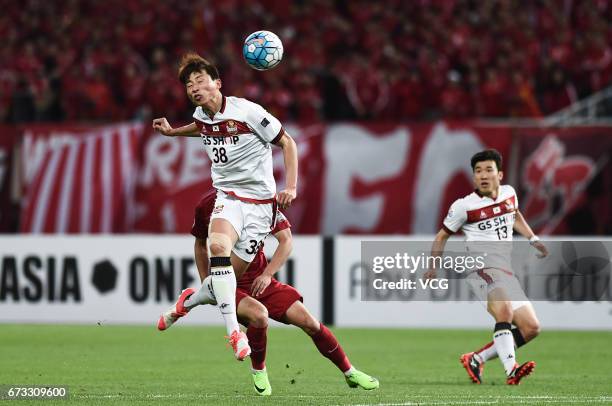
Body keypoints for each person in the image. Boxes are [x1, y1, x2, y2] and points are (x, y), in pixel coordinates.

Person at [158, 190, 380, 396]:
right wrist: (208, 282)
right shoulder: (208, 204)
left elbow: (286, 240)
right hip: (230, 284)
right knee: (260, 315)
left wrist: (267, 274)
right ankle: (259, 371)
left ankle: (350, 372)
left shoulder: (262, 198)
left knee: (310, 322)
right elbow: (200, 244)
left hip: (260, 282)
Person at [152, 53, 298, 361]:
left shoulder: (248, 111)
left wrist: (291, 187)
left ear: (218, 83)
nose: (194, 87)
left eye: (201, 80)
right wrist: (173, 132)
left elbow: (288, 143)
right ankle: (234, 332)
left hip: (260, 206)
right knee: (216, 246)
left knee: (224, 279)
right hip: (229, 197)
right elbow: (201, 128)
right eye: (189, 84)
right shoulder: (202, 115)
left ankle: (190, 300)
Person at [425, 149, 548, 385]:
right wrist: (433, 266)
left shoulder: (510, 194)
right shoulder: (464, 206)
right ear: (473, 178)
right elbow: (442, 236)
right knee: (504, 312)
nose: (483, 175)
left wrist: (533, 239)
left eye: (488, 170)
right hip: (481, 269)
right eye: (478, 171)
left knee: (531, 327)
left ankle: (475, 358)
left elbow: (515, 215)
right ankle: (511, 370)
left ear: (499, 174)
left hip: (505, 270)